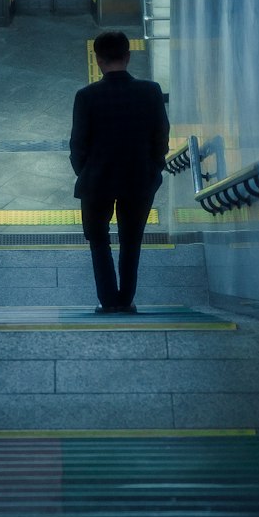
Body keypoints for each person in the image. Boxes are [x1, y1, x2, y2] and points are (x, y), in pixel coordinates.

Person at [70, 29, 170, 313]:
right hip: (139, 179)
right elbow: (161, 137)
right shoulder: (150, 91)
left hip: (96, 181)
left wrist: (84, 172)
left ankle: (108, 300)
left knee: (98, 239)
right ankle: (125, 299)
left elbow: (78, 143)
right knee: (131, 241)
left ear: (98, 60)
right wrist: (154, 169)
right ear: (128, 56)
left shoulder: (86, 96)